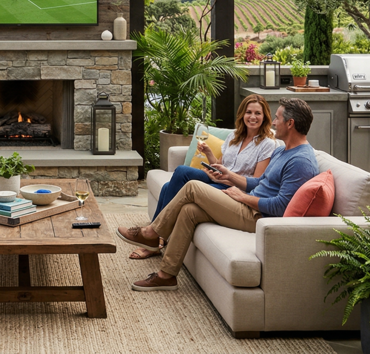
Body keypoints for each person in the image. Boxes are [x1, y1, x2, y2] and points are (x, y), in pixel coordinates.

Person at [117, 98, 318, 291]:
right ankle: (166, 276)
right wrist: (230, 176)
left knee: (193, 187)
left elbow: (281, 207)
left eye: (277, 118)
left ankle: (152, 234)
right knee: (189, 211)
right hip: (247, 205)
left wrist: (243, 197)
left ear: (290, 123)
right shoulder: (282, 151)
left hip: (258, 217)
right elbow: (259, 182)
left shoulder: (301, 161)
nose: (273, 122)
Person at [129, 94, 276, 259]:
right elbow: (220, 164)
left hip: (234, 189)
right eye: (249, 112)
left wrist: (227, 178)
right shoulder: (234, 136)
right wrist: (209, 155)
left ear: (265, 116)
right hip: (218, 179)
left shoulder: (267, 144)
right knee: (173, 180)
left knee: (173, 182)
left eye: (258, 113)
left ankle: (154, 237)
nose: (253, 117)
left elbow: (255, 183)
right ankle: (154, 237)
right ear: (242, 114)